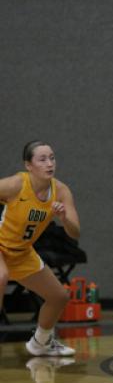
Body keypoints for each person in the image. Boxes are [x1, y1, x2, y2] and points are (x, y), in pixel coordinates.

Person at [0, 141, 80, 356]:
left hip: (22, 252)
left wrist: (64, 219)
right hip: (1, 246)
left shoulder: (61, 191)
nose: (49, 163)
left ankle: (41, 342)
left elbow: (75, 233)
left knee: (59, 297)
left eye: (52, 158)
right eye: (42, 159)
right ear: (29, 165)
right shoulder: (15, 184)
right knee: (1, 275)